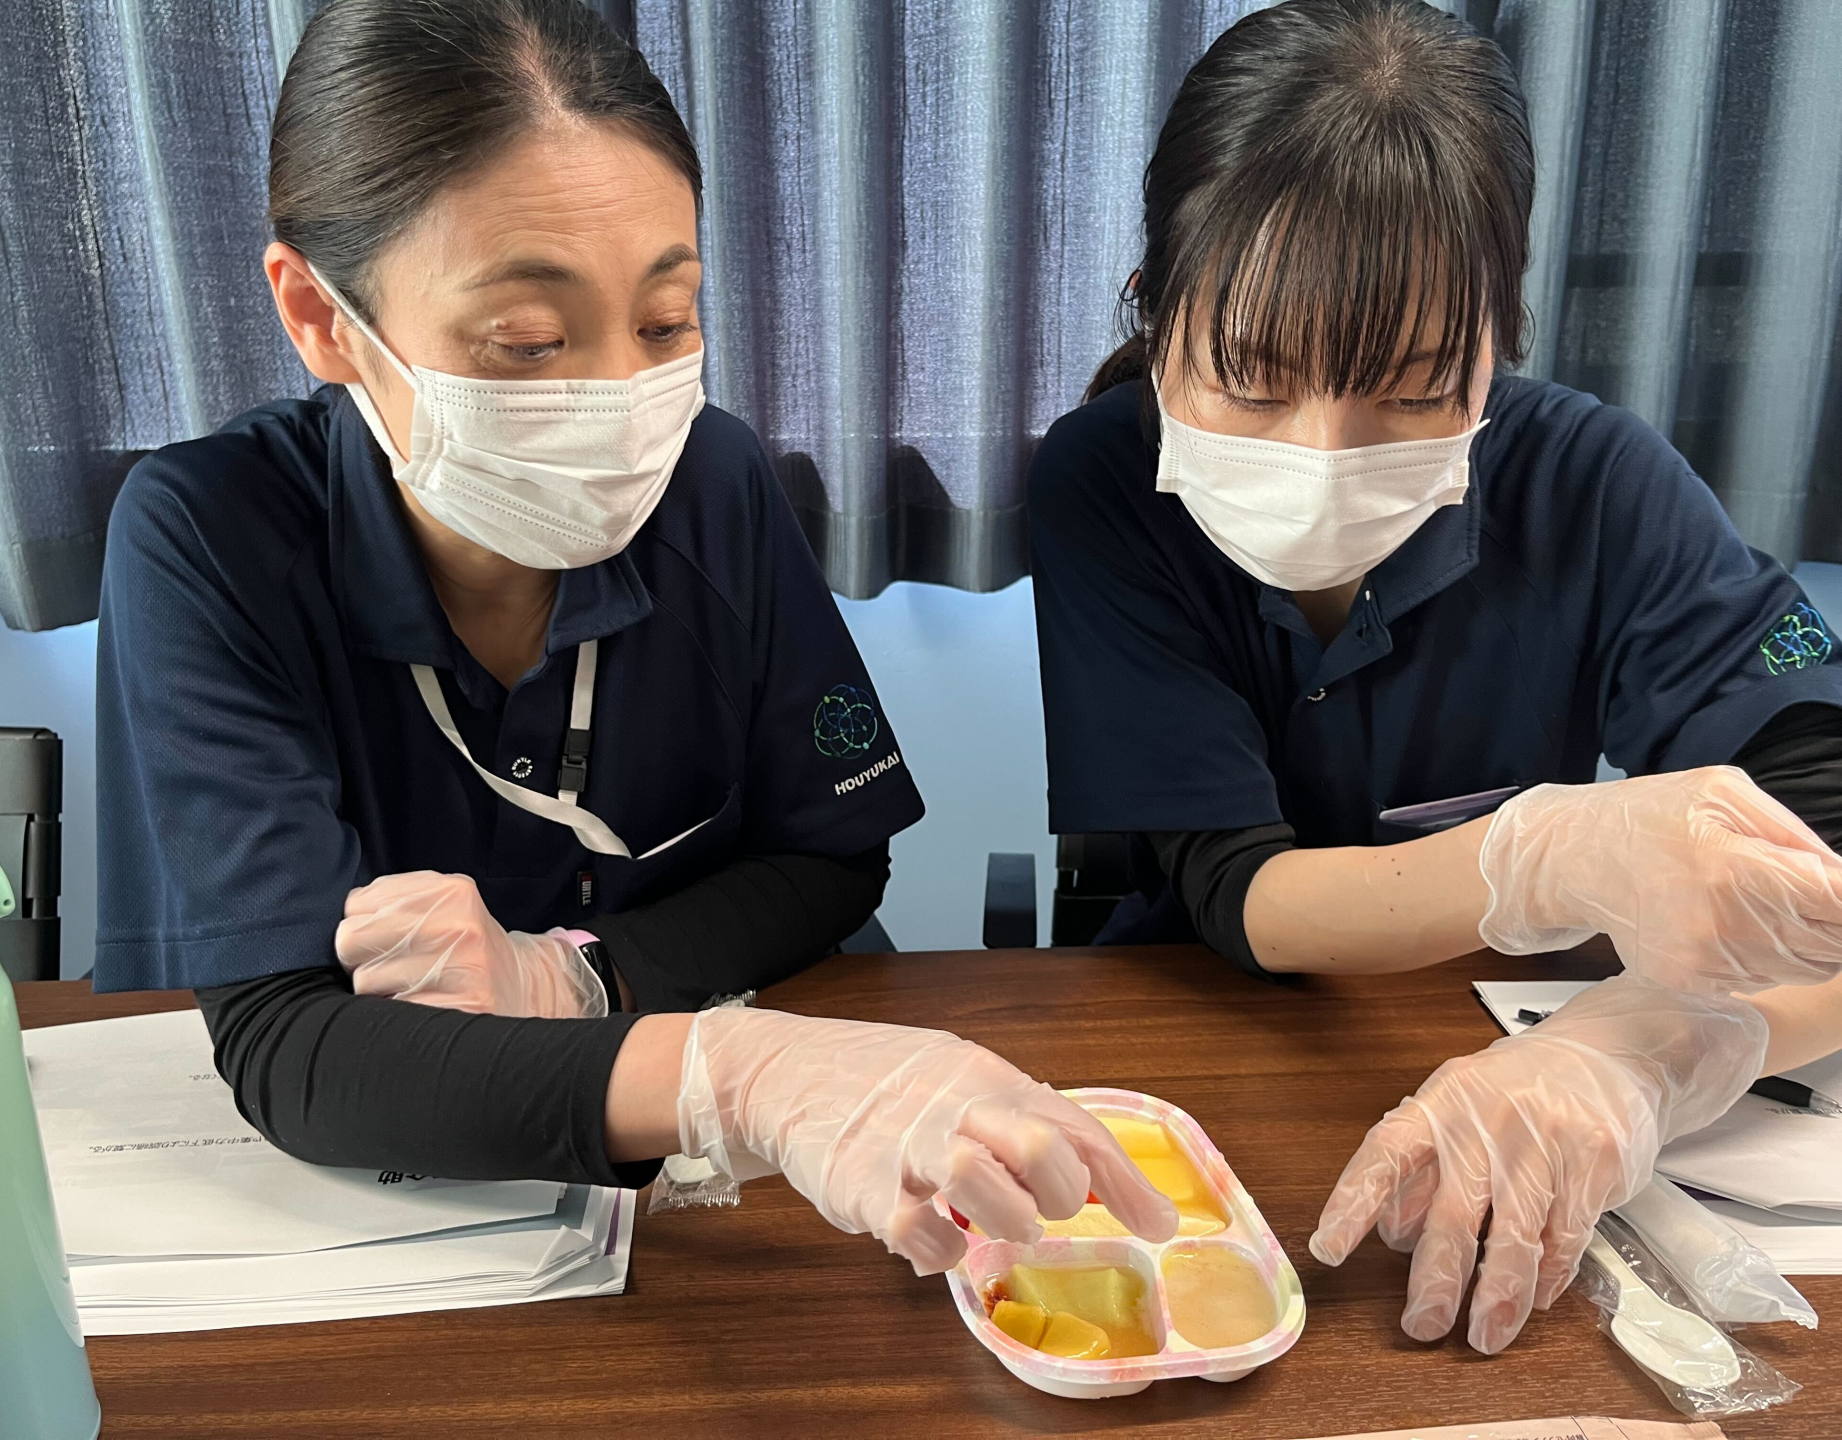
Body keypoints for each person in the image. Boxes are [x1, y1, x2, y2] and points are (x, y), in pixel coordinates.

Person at [93, 0, 1177, 1276]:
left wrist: (581, 980)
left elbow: (834, 858)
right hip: (458, 1192)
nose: (619, 398)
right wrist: (731, 1073)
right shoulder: (208, 536)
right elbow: (293, 1046)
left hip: (760, 1161)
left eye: (665, 322)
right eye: (528, 342)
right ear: (324, 318)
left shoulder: (712, 481)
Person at [1028, 0, 1842, 1349]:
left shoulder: (1593, 480)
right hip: (1206, 1040)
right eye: (1251, 377)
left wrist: (1638, 1052)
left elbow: (1827, 819)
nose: (1325, 452)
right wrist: (1537, 857)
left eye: (1411, 390)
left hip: (1513, 1043)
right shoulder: (1104, 482)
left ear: (1496, 345)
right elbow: (1236, 891)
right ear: (1156, 314)